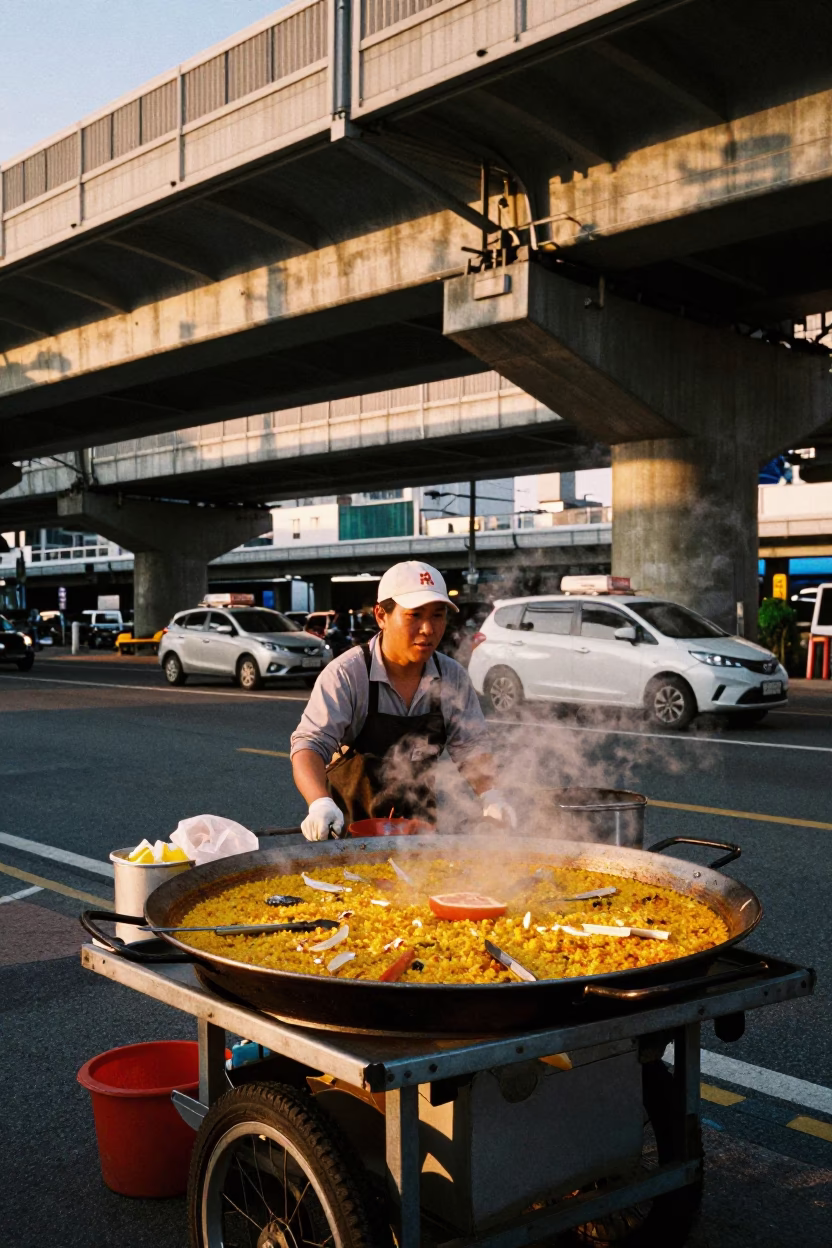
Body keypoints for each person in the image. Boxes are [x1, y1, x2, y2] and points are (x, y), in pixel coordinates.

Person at [290, 561, 516, 840]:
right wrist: (319, 803)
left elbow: (470, 746)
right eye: (414, 615)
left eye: (438, 615)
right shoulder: (347, 674)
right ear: (381, 616)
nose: (428, 629)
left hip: (420, 834)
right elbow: (309, 745)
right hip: (346, 834)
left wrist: (491, 795)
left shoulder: (452, 677)